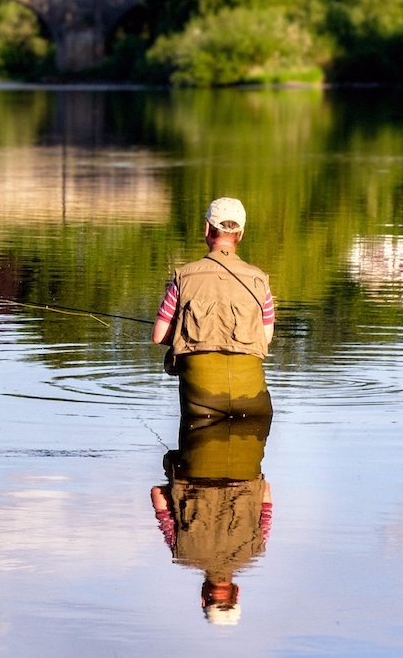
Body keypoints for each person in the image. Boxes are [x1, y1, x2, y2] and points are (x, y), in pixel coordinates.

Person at [152, 197, 274, 417]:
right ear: (241, 234)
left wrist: (185, 331)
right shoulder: (260, 281)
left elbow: (159, 335)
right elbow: (265, 338)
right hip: (253, 402)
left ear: (206, 228)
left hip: (200, 402)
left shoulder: (183, 277)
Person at [150, 415, 274, 626]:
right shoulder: (181, 551)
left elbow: (266, 492)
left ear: (237, 592)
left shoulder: (256, 548)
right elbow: (157, 495)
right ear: (202, 596)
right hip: (194, 463)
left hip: (244, 462)